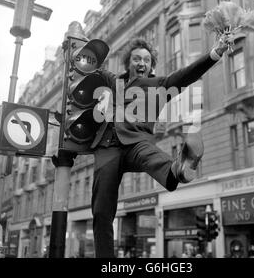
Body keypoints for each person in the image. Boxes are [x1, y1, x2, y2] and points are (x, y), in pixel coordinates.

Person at [90, 36, 230, 258]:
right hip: (107, 147)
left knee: (151, 156)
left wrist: (215, 52)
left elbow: (186, 75)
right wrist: (74, 50)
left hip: (137, 142)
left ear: (151, 65)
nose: (141, 63)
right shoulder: (113, 81)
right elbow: (92, 67)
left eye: (146, 60)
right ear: (128, 62)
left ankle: (179, 169)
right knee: (101, 211)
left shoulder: (158, 85)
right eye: (136, 59)